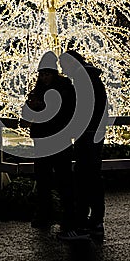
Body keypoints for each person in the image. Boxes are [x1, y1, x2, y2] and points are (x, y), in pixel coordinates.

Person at [23, 51, 88, 239]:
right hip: (42, 140)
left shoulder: (65, 88)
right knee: (43, 179)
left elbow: (64, 111)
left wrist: (41, 107)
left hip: (59, 140)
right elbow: (28, 115)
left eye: (47, 74)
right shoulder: (38, 90)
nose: (44, 78)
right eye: (41, 74)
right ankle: (44, 214)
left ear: (54, 72)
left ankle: (67, 218)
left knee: (64, 179)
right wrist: (31, 109)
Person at [59, 50, 107, 239]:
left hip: (87, 135)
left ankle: (85, 223)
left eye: (64, 66)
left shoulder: (82, 78)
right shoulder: (90, 77)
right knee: (92, 176)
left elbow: (82, 109)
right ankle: (95, 221)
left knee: (85, 176)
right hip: (93, 134)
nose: (63, 70)